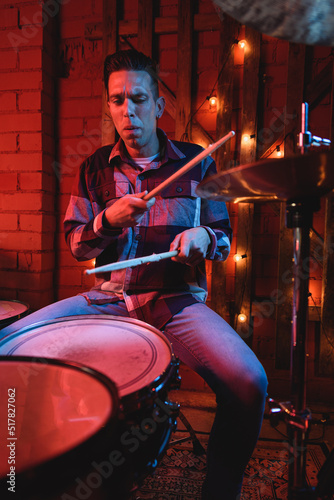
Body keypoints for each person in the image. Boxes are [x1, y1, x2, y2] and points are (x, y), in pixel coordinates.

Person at [1, 49, 267, 499]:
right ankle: (20, 475)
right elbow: (77, 245)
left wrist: (203, 235)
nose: (129, 111)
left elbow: (222, 240)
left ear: (159, 105)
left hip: (174, 299)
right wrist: (108, 220)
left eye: (139, 99)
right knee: (8, 346)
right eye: (118, 100)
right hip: (109, 298)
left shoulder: (197, 161)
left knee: (249, 382)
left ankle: (221, 491)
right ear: (108, 105)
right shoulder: (94, 169)